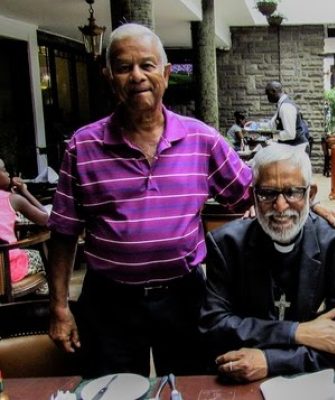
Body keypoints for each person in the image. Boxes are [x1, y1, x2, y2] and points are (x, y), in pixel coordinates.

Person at [46, 23, 253, 379]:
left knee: (195, 385)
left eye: (147, 65)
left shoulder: (202, 139)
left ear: (166, 74)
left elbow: (251, 195)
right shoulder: (82, 147)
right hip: (110, 300)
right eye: (124, 67)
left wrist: (314, 209)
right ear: (109, 77)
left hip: (184, 295)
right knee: (112, 389)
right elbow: (63, 233)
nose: (137, 76)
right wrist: (60, 307)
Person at [199, 143, 335, 382]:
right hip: (242, 375)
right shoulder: (226, 245)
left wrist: (270, 362)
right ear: (254, 195)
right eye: (267, 193)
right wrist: (296, 332)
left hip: (315, 378)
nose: (280, 206)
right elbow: (214, 327)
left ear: (311, 194)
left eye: (293, 192)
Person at [0, 158, 49, 292]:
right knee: (40, 257)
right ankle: (44, 303)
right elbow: (46, 218)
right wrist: (24, 191)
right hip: (7, 269)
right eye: (4, 170)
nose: (8, 174)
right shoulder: (13, 199)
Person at [265, 81, 309, 148]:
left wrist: (272, 135)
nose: (267, 98)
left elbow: (290, 134)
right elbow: (272, 124)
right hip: (294, 148)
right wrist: (255, 125)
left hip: (298, 149)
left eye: (268, 94)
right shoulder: (282, 104)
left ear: (273, 91)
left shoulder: (286, 107)